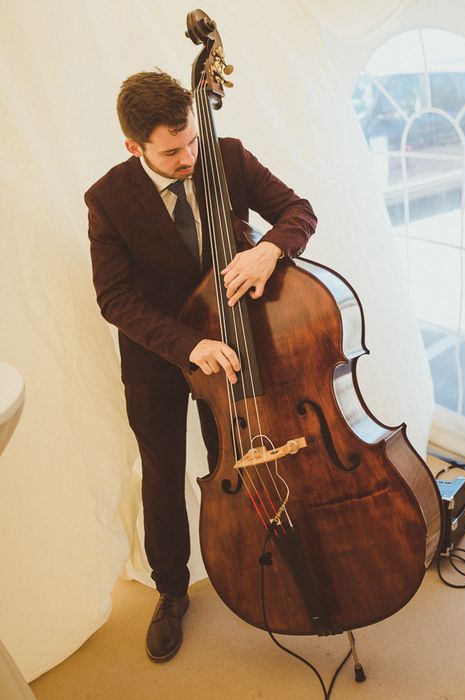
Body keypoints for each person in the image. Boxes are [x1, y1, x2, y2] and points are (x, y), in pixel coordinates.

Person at [85, 71, 316, 662]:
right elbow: (115, 299)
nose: (189, 157)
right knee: (162, 475)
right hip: (159, 359)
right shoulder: (107, 199)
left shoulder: (227, 156)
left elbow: (298, 210)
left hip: (238, 348)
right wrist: (188, 344)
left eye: (191, 140)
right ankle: (171, 592)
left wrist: (269, 248)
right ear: (133, 147)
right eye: (171, 151)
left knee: (236, 460)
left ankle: (253, 560)